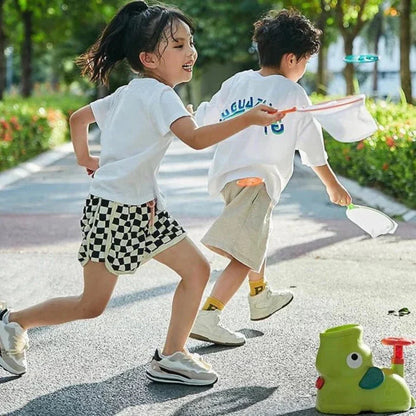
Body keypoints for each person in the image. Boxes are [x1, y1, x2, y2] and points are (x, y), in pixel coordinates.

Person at [0, 1, 283, 386]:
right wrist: (247, 119)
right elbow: (197, 139)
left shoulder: (129, 92)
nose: (191, 52)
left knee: (196, 270)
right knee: (91, 305)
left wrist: (87, 157)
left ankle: (172, 355)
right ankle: (13, 323)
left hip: (143, 208)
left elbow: (78, 118)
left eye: (190, 42)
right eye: (179, 45)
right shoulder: (160, 97)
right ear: (149, 58)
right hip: (115, 212)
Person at [189, 9, 352, 347]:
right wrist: (332, 184)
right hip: (258, 180)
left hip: (229, 179)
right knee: (243, 252)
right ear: (292, 58)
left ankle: (260, 294)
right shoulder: (293, 94)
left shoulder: (236, 82)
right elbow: (312, 147)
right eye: (306, 60)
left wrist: (193, 116)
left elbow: (207, 116)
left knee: (253, 238)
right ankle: (209, 314)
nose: (304, 68)